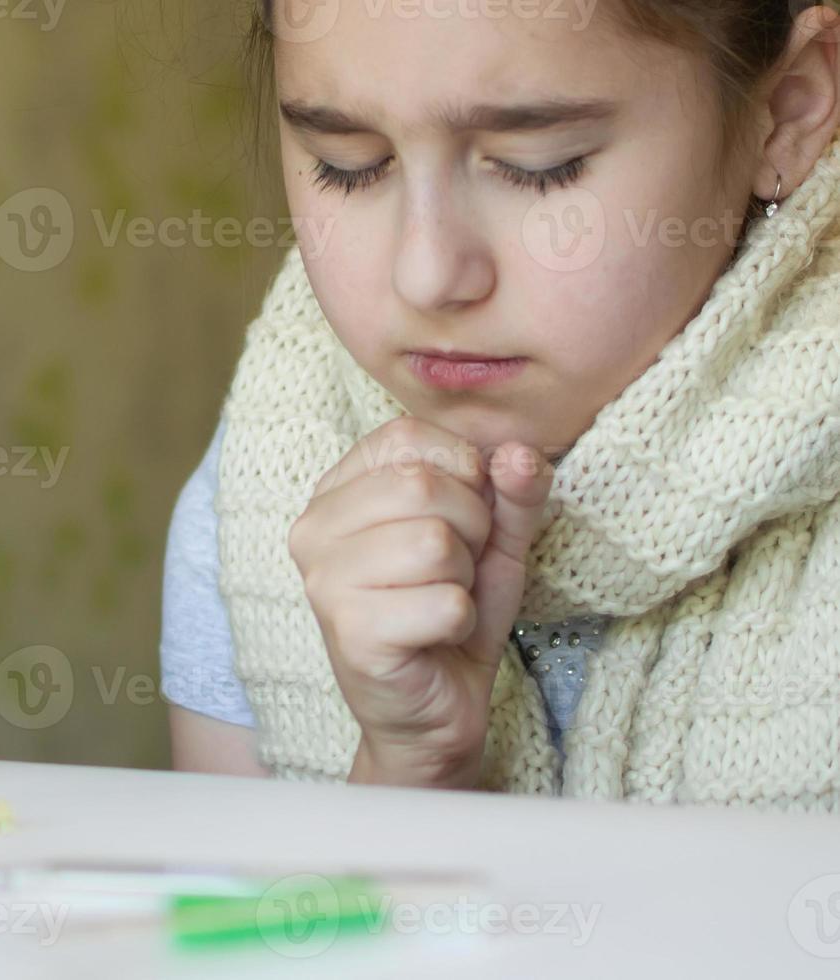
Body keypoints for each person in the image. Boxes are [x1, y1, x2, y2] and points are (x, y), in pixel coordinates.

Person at [161, 0, 840, 811]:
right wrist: (405, 769)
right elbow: (263, 931)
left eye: (537, 164)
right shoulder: (261, 489)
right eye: (347, 163)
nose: (427, 275)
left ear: (789, 109)